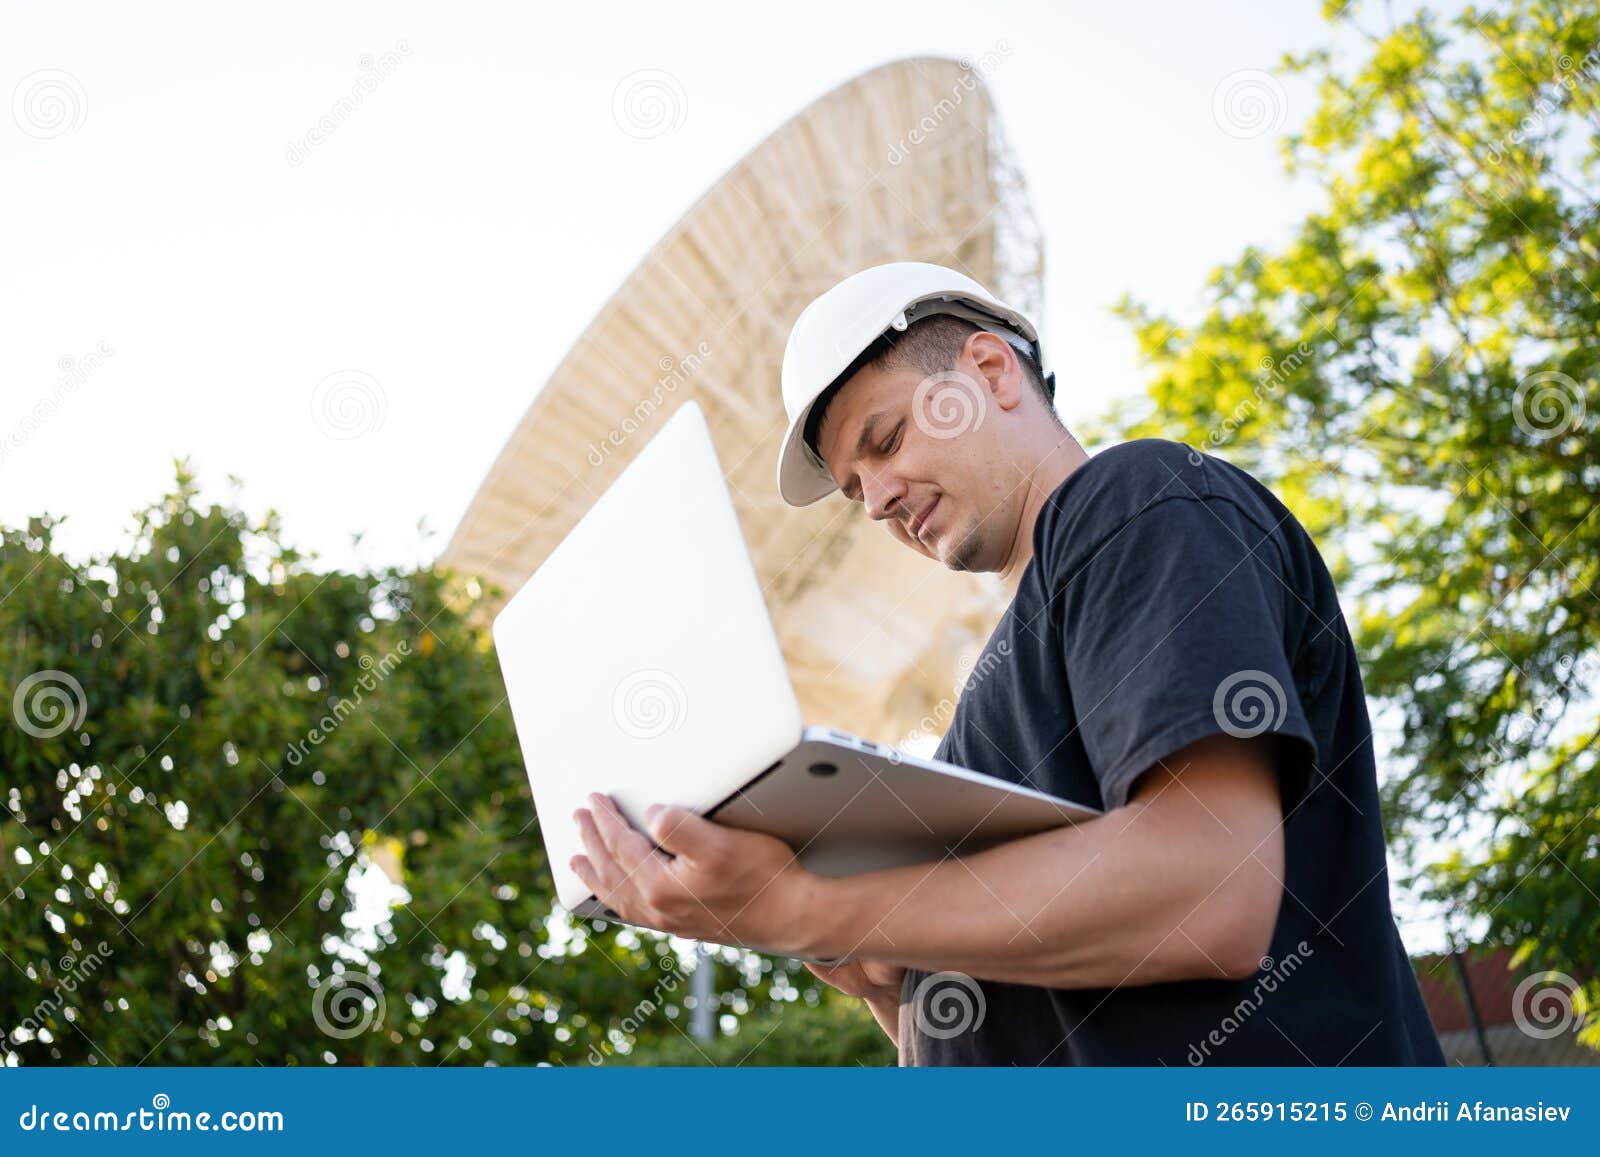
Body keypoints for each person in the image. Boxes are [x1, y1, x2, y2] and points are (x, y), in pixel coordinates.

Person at [569, 262, 1444, 1066]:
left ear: (989, 372)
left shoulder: (1137, 501)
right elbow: (964, 1016)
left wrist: (803, 905)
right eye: (853, 488)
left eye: (884, 439)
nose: (875, 501)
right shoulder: (969, 751)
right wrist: (869, 964)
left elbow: (1208, 891)